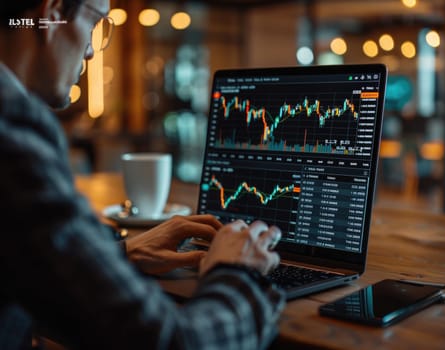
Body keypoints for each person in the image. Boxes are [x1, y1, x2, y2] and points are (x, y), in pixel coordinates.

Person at [0, 1, 286, 349]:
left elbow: (24, 265)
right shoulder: (11, 131)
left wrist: (120, 255)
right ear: (52, 13)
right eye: (97, 24)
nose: (91, 51)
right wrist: (240, 273)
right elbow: (165, 341)